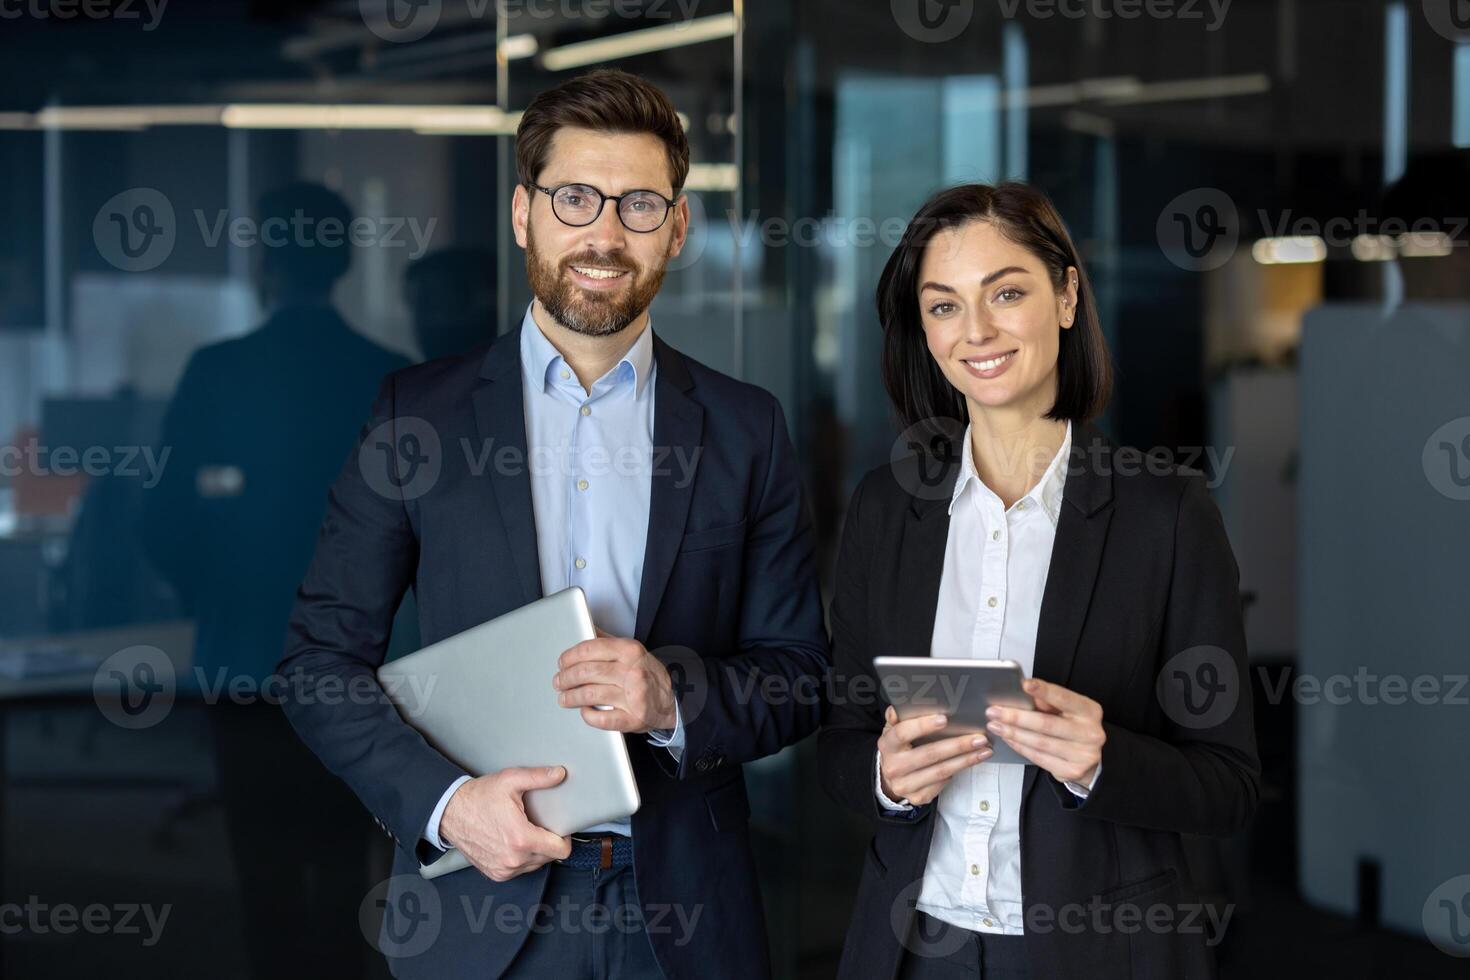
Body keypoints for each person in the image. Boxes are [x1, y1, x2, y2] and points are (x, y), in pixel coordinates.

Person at [277, 69, 828, 980]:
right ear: (524, 213)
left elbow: (801, 673)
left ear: (679, 228)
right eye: (576, 197)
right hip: (476, 902)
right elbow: (316, 661)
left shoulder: (744, 426)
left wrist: (674, 701)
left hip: (685, 911)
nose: (606, 234)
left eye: (640, 204)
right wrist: (446, 806)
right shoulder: (419, 415)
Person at [818, 183, 1260, 980]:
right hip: (913, 947)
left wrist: (1102, 761)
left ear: (1065, 295)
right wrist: (885, 778)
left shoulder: (1166, 514)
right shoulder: (888, 508)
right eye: (944, 306)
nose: (976, 331)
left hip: (1099, 953)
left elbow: (1228, 788)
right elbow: (841, 742)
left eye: (1007, 293)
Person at [143, 181, 407, 977]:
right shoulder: (390, 375)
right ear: (344, 258)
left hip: (244, 659)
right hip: (363, 669)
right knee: (342, 866)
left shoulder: (218, 371)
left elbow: (161, 516)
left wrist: (210, 595)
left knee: (263, 871)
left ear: (264, 258)